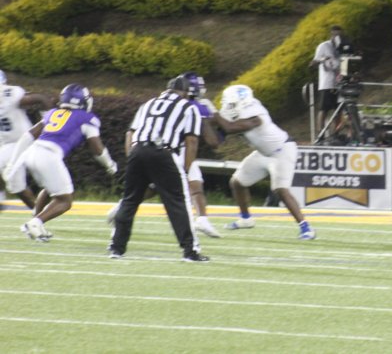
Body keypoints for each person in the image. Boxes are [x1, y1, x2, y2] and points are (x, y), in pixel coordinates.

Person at [104, 71, 222, 238]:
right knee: (167, 191)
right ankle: (190, 238)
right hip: (172, 151)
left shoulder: (153, 103)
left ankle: (202, 220)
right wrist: (214, 117)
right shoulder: (191, 106)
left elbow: (131, 132)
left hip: (155, 149)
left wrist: (132, 155)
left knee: (191, 185)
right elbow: (210, 141)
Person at [3, 84, 117, 241]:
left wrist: (13, 163)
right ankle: (35, 223)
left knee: (49, 189)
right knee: (65, 200)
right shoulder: (86, 118)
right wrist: (110, 164)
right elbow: (97, 149)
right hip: (49, 155)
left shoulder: (53, 113)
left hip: (32, 152)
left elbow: (27, 136)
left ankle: (34, 219)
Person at [212, 84, 315, 240]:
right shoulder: (239, 111)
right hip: (263, 153)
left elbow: (230, 127)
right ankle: (246, 219)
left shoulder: (255, 114)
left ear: (241, 102)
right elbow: (219, 135)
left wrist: (213, 114)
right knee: (237, 183)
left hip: (282, 151)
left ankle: (306, 227)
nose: (228, 107)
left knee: (281, 190)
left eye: (231, 104)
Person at [0, 69, 53, 207]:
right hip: (8, 144)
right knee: (17, 187)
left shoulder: (10, 94)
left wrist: (49, 121)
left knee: (44, 180)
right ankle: (37, 212)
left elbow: (41, 98)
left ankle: (42, 210)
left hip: (25, 141)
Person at [309, 25, 343, 139]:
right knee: (324, 109)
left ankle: (336, 134)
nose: (337, 37)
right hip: (327, 83)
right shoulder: (324, 46)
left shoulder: (343, 47)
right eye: (335, 35)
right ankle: (321, 133)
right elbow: (313, 62)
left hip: (340, 83)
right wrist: (322, 60)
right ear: (331, 35)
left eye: (339, 35)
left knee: (338, 110)